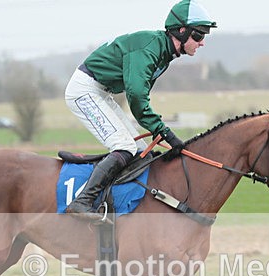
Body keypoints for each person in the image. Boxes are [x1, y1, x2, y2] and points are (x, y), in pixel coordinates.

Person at [63, 0, 216, 219]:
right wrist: (164, 132)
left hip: (101, 91)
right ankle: (82, 202)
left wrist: (159, 130)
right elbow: (136, 97)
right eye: (199, 36)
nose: (201, 43)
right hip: (85, 90)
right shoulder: (150, 48)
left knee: (138, 148)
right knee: (124, 146)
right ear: (181, 31)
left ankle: (115, 202)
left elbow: (139, 96)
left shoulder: (164, 52)